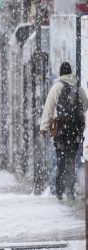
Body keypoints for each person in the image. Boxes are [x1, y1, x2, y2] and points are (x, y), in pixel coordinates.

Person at [40, 62, 88, 200]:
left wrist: (43, 128)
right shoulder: (77, 88)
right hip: (74, 131)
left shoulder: (56, 87)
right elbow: (86, 105)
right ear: (70, 72)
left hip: (60, 129)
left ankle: (59, 189)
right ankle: (70, 190)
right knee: (71, 159)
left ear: (61, 73)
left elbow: (48, 109)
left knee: (61, 158)